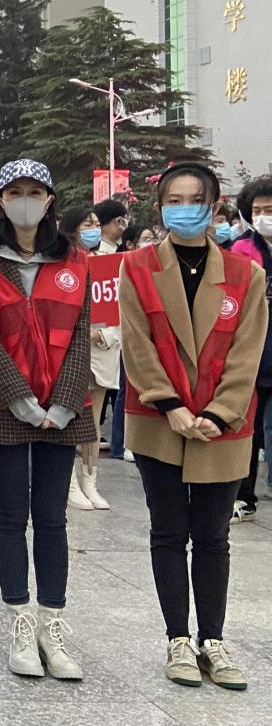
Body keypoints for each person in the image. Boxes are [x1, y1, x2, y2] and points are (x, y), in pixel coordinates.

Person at [121, 163, 267, 690]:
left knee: (212, 535)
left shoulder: (245, 274)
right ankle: (178, 638)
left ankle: (214, 639)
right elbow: (137, 343)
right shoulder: (136, 267)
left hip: (222, 425)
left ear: (215, 206)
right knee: (167, 531)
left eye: (195, 200)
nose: (184, 209)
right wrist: (171, 406)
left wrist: (218, 412)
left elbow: (247, 353)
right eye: (174, 200)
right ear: (160, 207)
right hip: (159, 419)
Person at [0, 159, 92, 681]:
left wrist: (64, 403)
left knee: (53, 517)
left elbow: (80, 333)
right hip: (2, 405)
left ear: (50, 199)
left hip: (64, 407)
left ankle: (51, 625)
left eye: (35, 191)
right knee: (12, 514)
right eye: (15, 192)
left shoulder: (75, 260)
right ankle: (19, 622)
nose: (25, 201)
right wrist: (19, 399)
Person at [57, 206, 116, 512]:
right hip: (70, 353)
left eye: (96, 223)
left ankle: (90, 480)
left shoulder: (108, 261)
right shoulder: (60, 261)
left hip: (103, 352)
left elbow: (119, 308)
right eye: (86, 224)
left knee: (93, 424)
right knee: (69, 420)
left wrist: (104, 335)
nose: (93, 229)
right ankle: (68, 484)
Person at [232, 175, 272, 523]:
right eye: (257, 210)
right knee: (251, 430)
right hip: (255, 354)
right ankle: (243, 497)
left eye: (269, 210)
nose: (262, 217)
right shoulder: (242, 249)